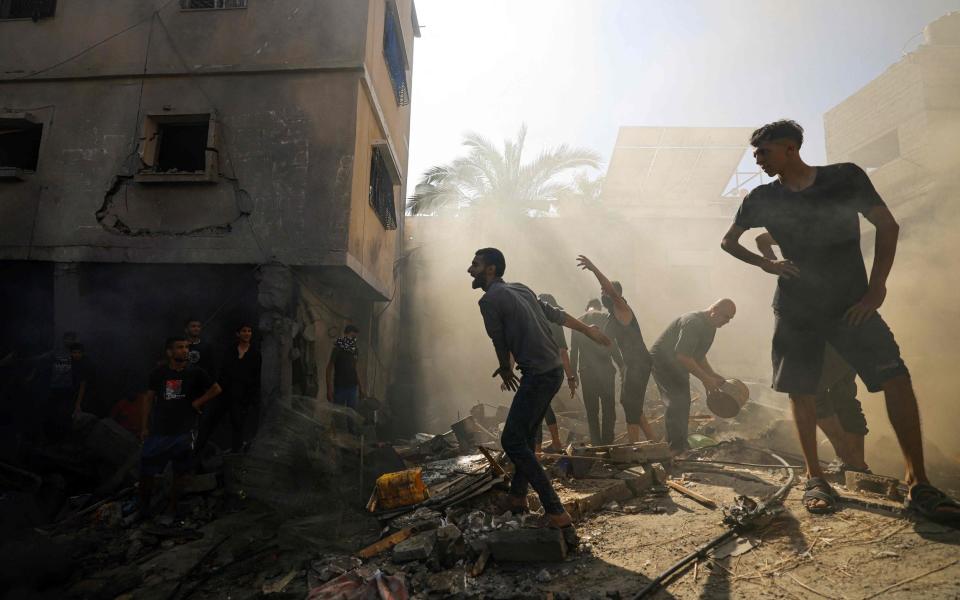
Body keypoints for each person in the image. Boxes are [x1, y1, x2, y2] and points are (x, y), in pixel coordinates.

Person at [720, 119, 959, 521]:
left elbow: (888, 225)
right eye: (755, 154)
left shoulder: (844, 177)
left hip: (852, 304)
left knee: (895, 377)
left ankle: (919, 484)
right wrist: (768, 264)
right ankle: (816, 478)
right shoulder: (761, 198)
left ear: (790, 148)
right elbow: (729, 241)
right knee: (801, 390)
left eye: (763, 152)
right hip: (796, 310)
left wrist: (877, 288)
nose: (758, 160)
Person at [470, 247, 611, 534]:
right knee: (524, 438)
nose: (469, 269)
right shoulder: (521, 288)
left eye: (475, 265)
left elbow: (499, 340)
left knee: (511, 441)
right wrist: (587, 330)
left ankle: (555, 510)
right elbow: (555, 315)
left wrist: (506, 367)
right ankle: (518, 496)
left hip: (537, 375)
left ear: (490, 270)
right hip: (554, 371)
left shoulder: (489, 301)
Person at [756, 232, 870, 473]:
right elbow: (762, 240)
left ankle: (853, 461)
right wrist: (773, 263)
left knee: (835, 393)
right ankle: (851, 461)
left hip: (840, 326)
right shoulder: (798, 228)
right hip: (810, 325)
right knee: (824, 394)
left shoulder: (839, 234)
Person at [576, 256, 656, 443]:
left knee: (631, 404)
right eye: (601, 290)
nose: (603, 292)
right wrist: (590, 332)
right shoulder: (612, 318)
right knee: (628, 402)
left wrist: (594, 269)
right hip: (630, 364)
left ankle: (634, 447)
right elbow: (606, 343)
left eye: (605, 290)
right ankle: (652, 441)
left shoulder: (623, 308)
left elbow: (610, 289)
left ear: (615, 294)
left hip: (640, 362)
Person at [140, 337, 221, 519]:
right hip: (160, 429)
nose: (185, 351)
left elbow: (216, 389)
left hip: (184, 430)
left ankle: (172, 508)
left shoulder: (196, 373)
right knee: (146, 470)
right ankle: (143, 509)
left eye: (186, 347)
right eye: (180, 347)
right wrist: (144, 426)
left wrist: (198, 402)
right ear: (169, 352)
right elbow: (148, 399)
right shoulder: (158, 373)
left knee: (180, 472)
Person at [650, 300, 736, 453]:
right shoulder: (693, 322)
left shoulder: (711, 327)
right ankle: (674, 449)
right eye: (726, 317)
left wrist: (711, 375)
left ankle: (680, 445)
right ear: (714, 310)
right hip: (663, 363)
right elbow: (683, 356)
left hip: (678, 364)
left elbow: (699, 356)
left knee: (684, 402)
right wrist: (705, 379)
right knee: (676, 402)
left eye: (730, 319)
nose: (727, 322)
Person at [197, 323, 261, 453]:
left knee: (238, 426)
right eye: (244, 331)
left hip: (241, 396)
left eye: (249, 331)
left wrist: (250, 398)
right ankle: (197, 452)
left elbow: (255, 377)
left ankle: (235, 457)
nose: (247, 333)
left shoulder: (255, 353)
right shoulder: (230, 350)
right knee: (209, 423)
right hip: (225, 393)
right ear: (238, 334)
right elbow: (223, 372)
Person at [570, 299, 624, 445]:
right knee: (608, 408)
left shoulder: (577, 322)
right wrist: (621, 366)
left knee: (591, 411)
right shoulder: (605, 318)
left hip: (586, 373)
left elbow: (573, 353)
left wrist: (572, 375)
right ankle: (607, 442)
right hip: (605, 371)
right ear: (599, 307)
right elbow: (612, 345)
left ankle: (596, 443)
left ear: (586, 308)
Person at [536, 293, 579, 453]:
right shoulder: (555, 323)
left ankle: (538, 451)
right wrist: (570, 377)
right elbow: (563, 353)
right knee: (544, 407)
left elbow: (562, 352)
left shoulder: (535, 321)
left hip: (539, 371)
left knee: (538, 410)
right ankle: (555, 443)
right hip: (554, 373)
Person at [44, 331, 79, 440]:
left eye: (71, 339)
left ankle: (64, 438)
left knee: (66, 414)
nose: (69, 341)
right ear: (63, 340)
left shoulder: (76, 355)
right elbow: (43, 359)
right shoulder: (56, 352)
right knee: (52, 412)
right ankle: (50, 437)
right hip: (55, 387)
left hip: (68, 390)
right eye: (67, 338)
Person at [326, 325, 364, 410]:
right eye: (352, 336)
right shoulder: (337, 349)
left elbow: (355, 369)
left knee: (352, 416)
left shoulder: (355, 350)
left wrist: (360, 388)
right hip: (340, 388)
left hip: (352, 388)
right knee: (338, 415)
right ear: (346, 335)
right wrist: (329, 389)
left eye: (355, 337)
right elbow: (329, 369)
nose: (354, 339)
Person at [69, 343, 97, 416]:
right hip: (74, 390)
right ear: (71, 353)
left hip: (87, 393)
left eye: (79, 353)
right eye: (74, 352)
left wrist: (78, 404)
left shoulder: (85, 364)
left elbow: (83, 385)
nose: (77, 355)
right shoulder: (70, 362)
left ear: (82, 353)